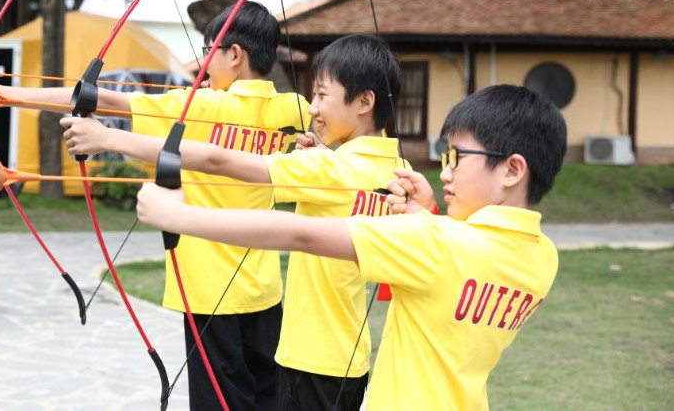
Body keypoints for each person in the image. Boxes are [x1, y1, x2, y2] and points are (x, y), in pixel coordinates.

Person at [0, 1, 311, 411]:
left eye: (208, 49)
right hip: (265, 291)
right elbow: (321, 138)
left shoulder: (200, 107)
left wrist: (0, 94)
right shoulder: (296, 110)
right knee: (266, 397)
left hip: (208, 292)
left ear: (234, 56)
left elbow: (103, 100)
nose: (202, 61)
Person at [135, 84, 568, 409]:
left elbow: (299, 234)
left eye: (457, 157)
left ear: (512, 169)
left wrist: (178, 216)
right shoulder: (542, 257)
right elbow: (456, 273)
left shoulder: (434, 243)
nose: (447, 172)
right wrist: (428, 213)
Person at [62, 33, 406, 410]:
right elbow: (344, 189)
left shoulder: (327, 168)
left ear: (365, 101)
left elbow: (217, 161)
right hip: (351, 363)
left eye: (322, 95)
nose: (312, 107)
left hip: (308, 360)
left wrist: (108, 138)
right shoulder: (399, 173)